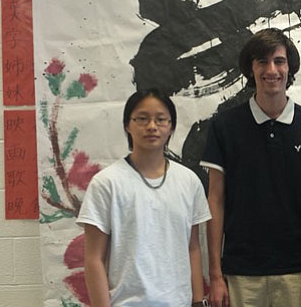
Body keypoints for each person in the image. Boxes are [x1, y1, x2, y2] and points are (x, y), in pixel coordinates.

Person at [200, 28, 301, 307]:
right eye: (262, 62)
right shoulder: (224, 127)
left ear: (290, 67)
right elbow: (215, 200)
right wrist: (215, 275)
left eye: (279, 61)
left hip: (300, 270)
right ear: (251, 69)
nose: (272, 70)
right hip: (240, 272)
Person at [77, 89, 211, 307]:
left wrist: (197, 301)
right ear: (127, 125)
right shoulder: (106, 183)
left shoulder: (189, 181)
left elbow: (193, 247)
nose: (151, 126)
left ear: (171, 127)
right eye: (142, 119)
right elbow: (93, 259)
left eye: (160, 119)